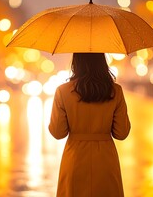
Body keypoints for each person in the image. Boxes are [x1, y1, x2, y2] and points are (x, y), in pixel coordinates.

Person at [49, 53, 131, 197]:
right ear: (102, 62)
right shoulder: (115, 91)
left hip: (75, 159)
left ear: (76, 62)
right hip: (106, 161)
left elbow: (57, 132)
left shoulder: (63, 92)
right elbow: (122, 133)